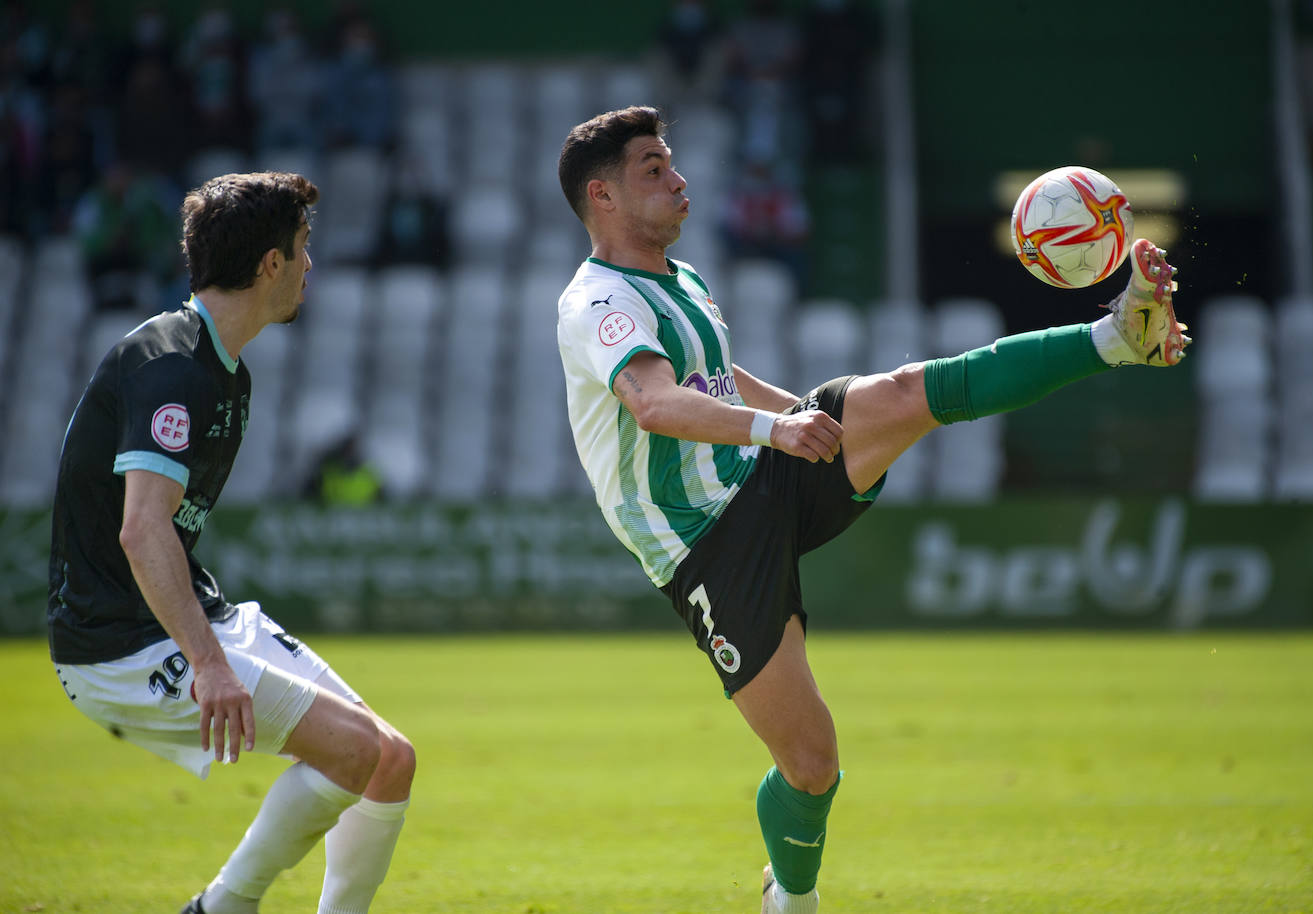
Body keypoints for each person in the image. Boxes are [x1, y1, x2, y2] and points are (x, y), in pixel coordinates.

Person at [555, 107, 1189, 914]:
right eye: (653, 169)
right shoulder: (596, 303)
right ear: (602, 197)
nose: (679, 180)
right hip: (703, 545)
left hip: (760, 477)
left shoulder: (682, 281)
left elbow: (713, 372)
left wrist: (807, 422)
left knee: (901, 392)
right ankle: (789, 895)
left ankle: (1114, 338)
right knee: (811, 763)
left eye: (673, 162)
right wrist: (778, 429)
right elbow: (652, 402)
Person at [47, 172, 415, 914]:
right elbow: (142, 527)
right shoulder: (174, 366)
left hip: (187, 616)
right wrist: (211, 667)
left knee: (390, 761)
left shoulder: (222, 369)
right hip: (118, 645)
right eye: (304, 248)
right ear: (271, 264)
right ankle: (223, 907)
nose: (311, 265)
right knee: (353, 750)